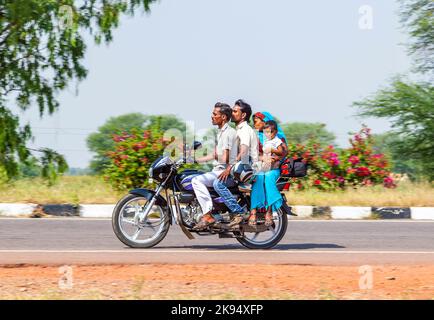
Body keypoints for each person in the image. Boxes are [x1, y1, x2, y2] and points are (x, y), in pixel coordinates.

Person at [212, 99, 259, 228]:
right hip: (240, 168)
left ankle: (238, 212)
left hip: (247, 170)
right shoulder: (237, 130)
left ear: (243, 115)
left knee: (218, 183)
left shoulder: (244, 130)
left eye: (235, 111)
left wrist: (229, 167)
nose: (231, 113)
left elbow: (243, 152)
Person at [191, 103, 238, 230]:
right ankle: (214, 213)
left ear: (223, 117)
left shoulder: (229, 133)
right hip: (218, 169)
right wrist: (195, 160)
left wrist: (217, 156)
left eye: (214, 114)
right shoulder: (221, 132)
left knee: (195, 180)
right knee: (195, 175)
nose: (212, 116)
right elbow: (215, 155)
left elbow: (225, 158)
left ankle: (207, 216)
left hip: (225, 171)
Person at [249, 120, 287, 226]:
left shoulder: (278, 139)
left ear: (274, 132)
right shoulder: (263, 139)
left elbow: (282, 152)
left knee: (268, 177)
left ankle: (269, 211)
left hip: (274, 169)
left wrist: (273, 153)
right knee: (258, 178)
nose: (266, 134)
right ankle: (253, 211)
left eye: (269, 132)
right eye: (265, 132)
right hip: (264, 167)